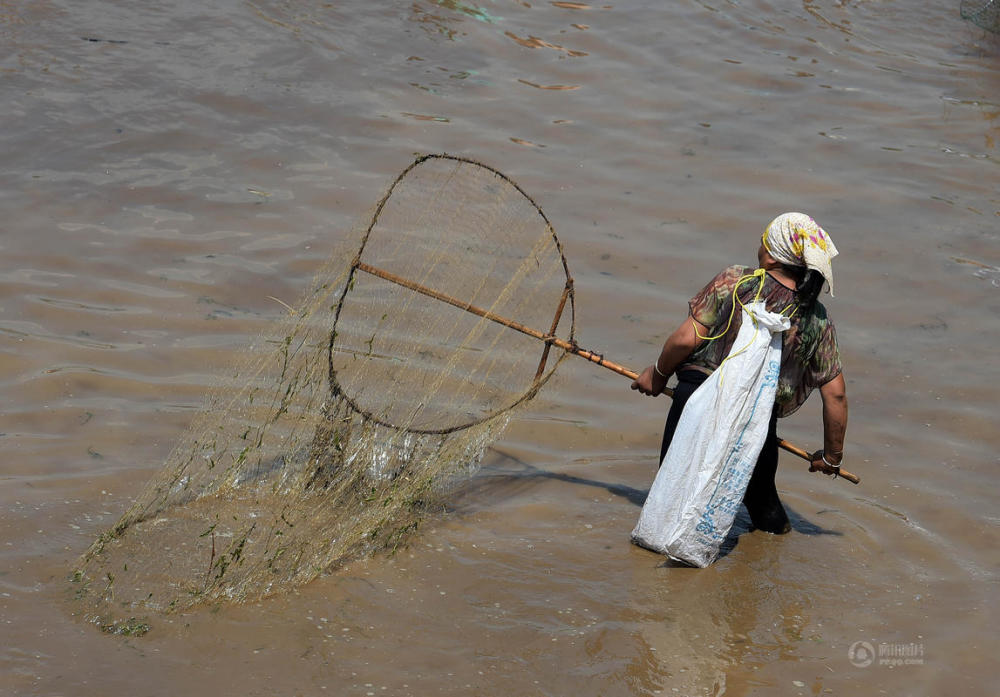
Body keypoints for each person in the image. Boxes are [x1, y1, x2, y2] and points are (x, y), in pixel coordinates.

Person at [631, 212, 848, 535]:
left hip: (696, 398)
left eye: (763, 239)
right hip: (756, 420)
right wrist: (831, 457)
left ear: (772, 256)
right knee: (765, 509)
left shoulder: (735, 281)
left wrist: (659, 375)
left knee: (674, 485)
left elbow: (685, 339)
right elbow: (836, 395)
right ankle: (766, 562)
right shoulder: (817, 319)